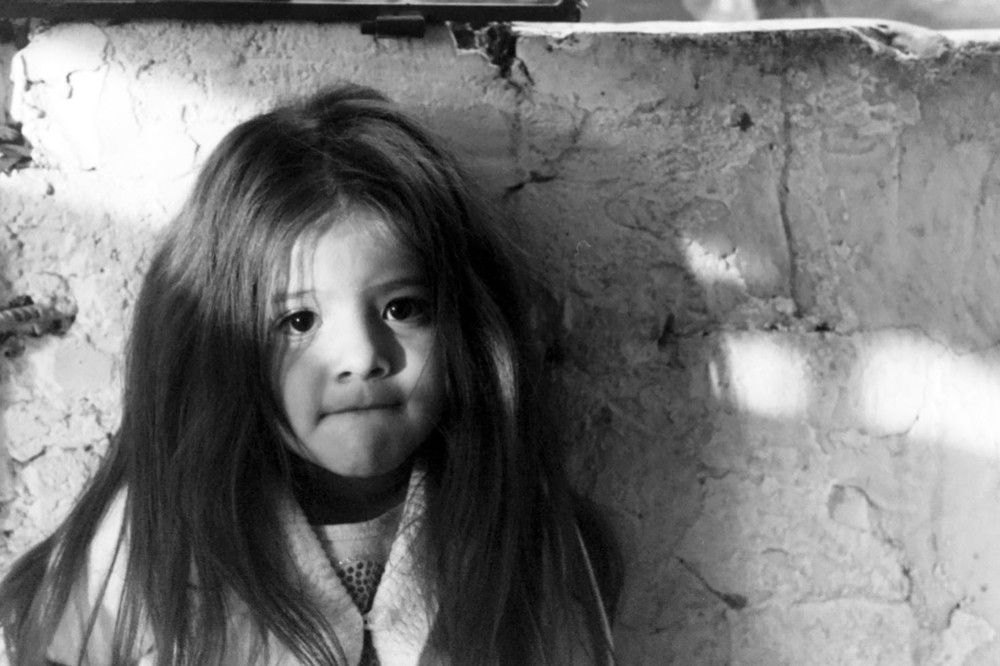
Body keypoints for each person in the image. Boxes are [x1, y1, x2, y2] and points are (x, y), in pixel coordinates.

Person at [0, 84, 621, 665]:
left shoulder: (517, 531)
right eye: (298, 321)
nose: (362, 357)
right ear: (225, 346)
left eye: (402, 309)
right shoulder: (156, 537)